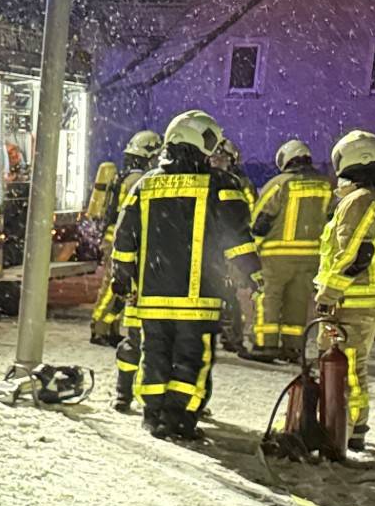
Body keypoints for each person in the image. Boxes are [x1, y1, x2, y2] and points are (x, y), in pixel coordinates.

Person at [109, 110, 262, 439]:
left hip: (152, 296)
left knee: (155, 355)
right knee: (191, 359)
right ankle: (179, 419)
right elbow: (237, 238)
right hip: (198, 297)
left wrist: (121, 278)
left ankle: (153, 415)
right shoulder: (221, 185)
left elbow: (124, 238)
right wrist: (253, 275)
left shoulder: (144, 185)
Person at [313, 130, 375, 451]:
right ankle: (353, 426)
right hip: (359, 299)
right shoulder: (368, 197)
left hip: (351, 300)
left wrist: (328, 294)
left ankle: (346, 430)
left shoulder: (360, 199)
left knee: (348, 365)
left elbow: (354, 253)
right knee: (353, 365)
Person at [248, 139, 334, 361]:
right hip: (311, 257)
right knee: (298, 302)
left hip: (276, 256)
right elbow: (333, 218)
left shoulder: (279, 184)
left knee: (269, 298)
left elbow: (259, 220)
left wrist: (253, 247)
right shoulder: (325, 185)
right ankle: (293, 348)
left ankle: (265, 346)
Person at [91, 130, 164, 347]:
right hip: (121, 239)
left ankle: (108, 328)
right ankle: (100, 328)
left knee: (114, 285)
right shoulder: (138, 180)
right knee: (113, 286)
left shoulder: (124, 176)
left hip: (114, 236)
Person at [211, 139, 257, 353]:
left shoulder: (239, 183)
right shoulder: (209, 180)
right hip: (210, 247)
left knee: (228, 292)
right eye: (214, 156)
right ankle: (218, 334)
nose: (216, 160)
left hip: (228, 248)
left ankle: (232, 337)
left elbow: (250, 214)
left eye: (221, 157)